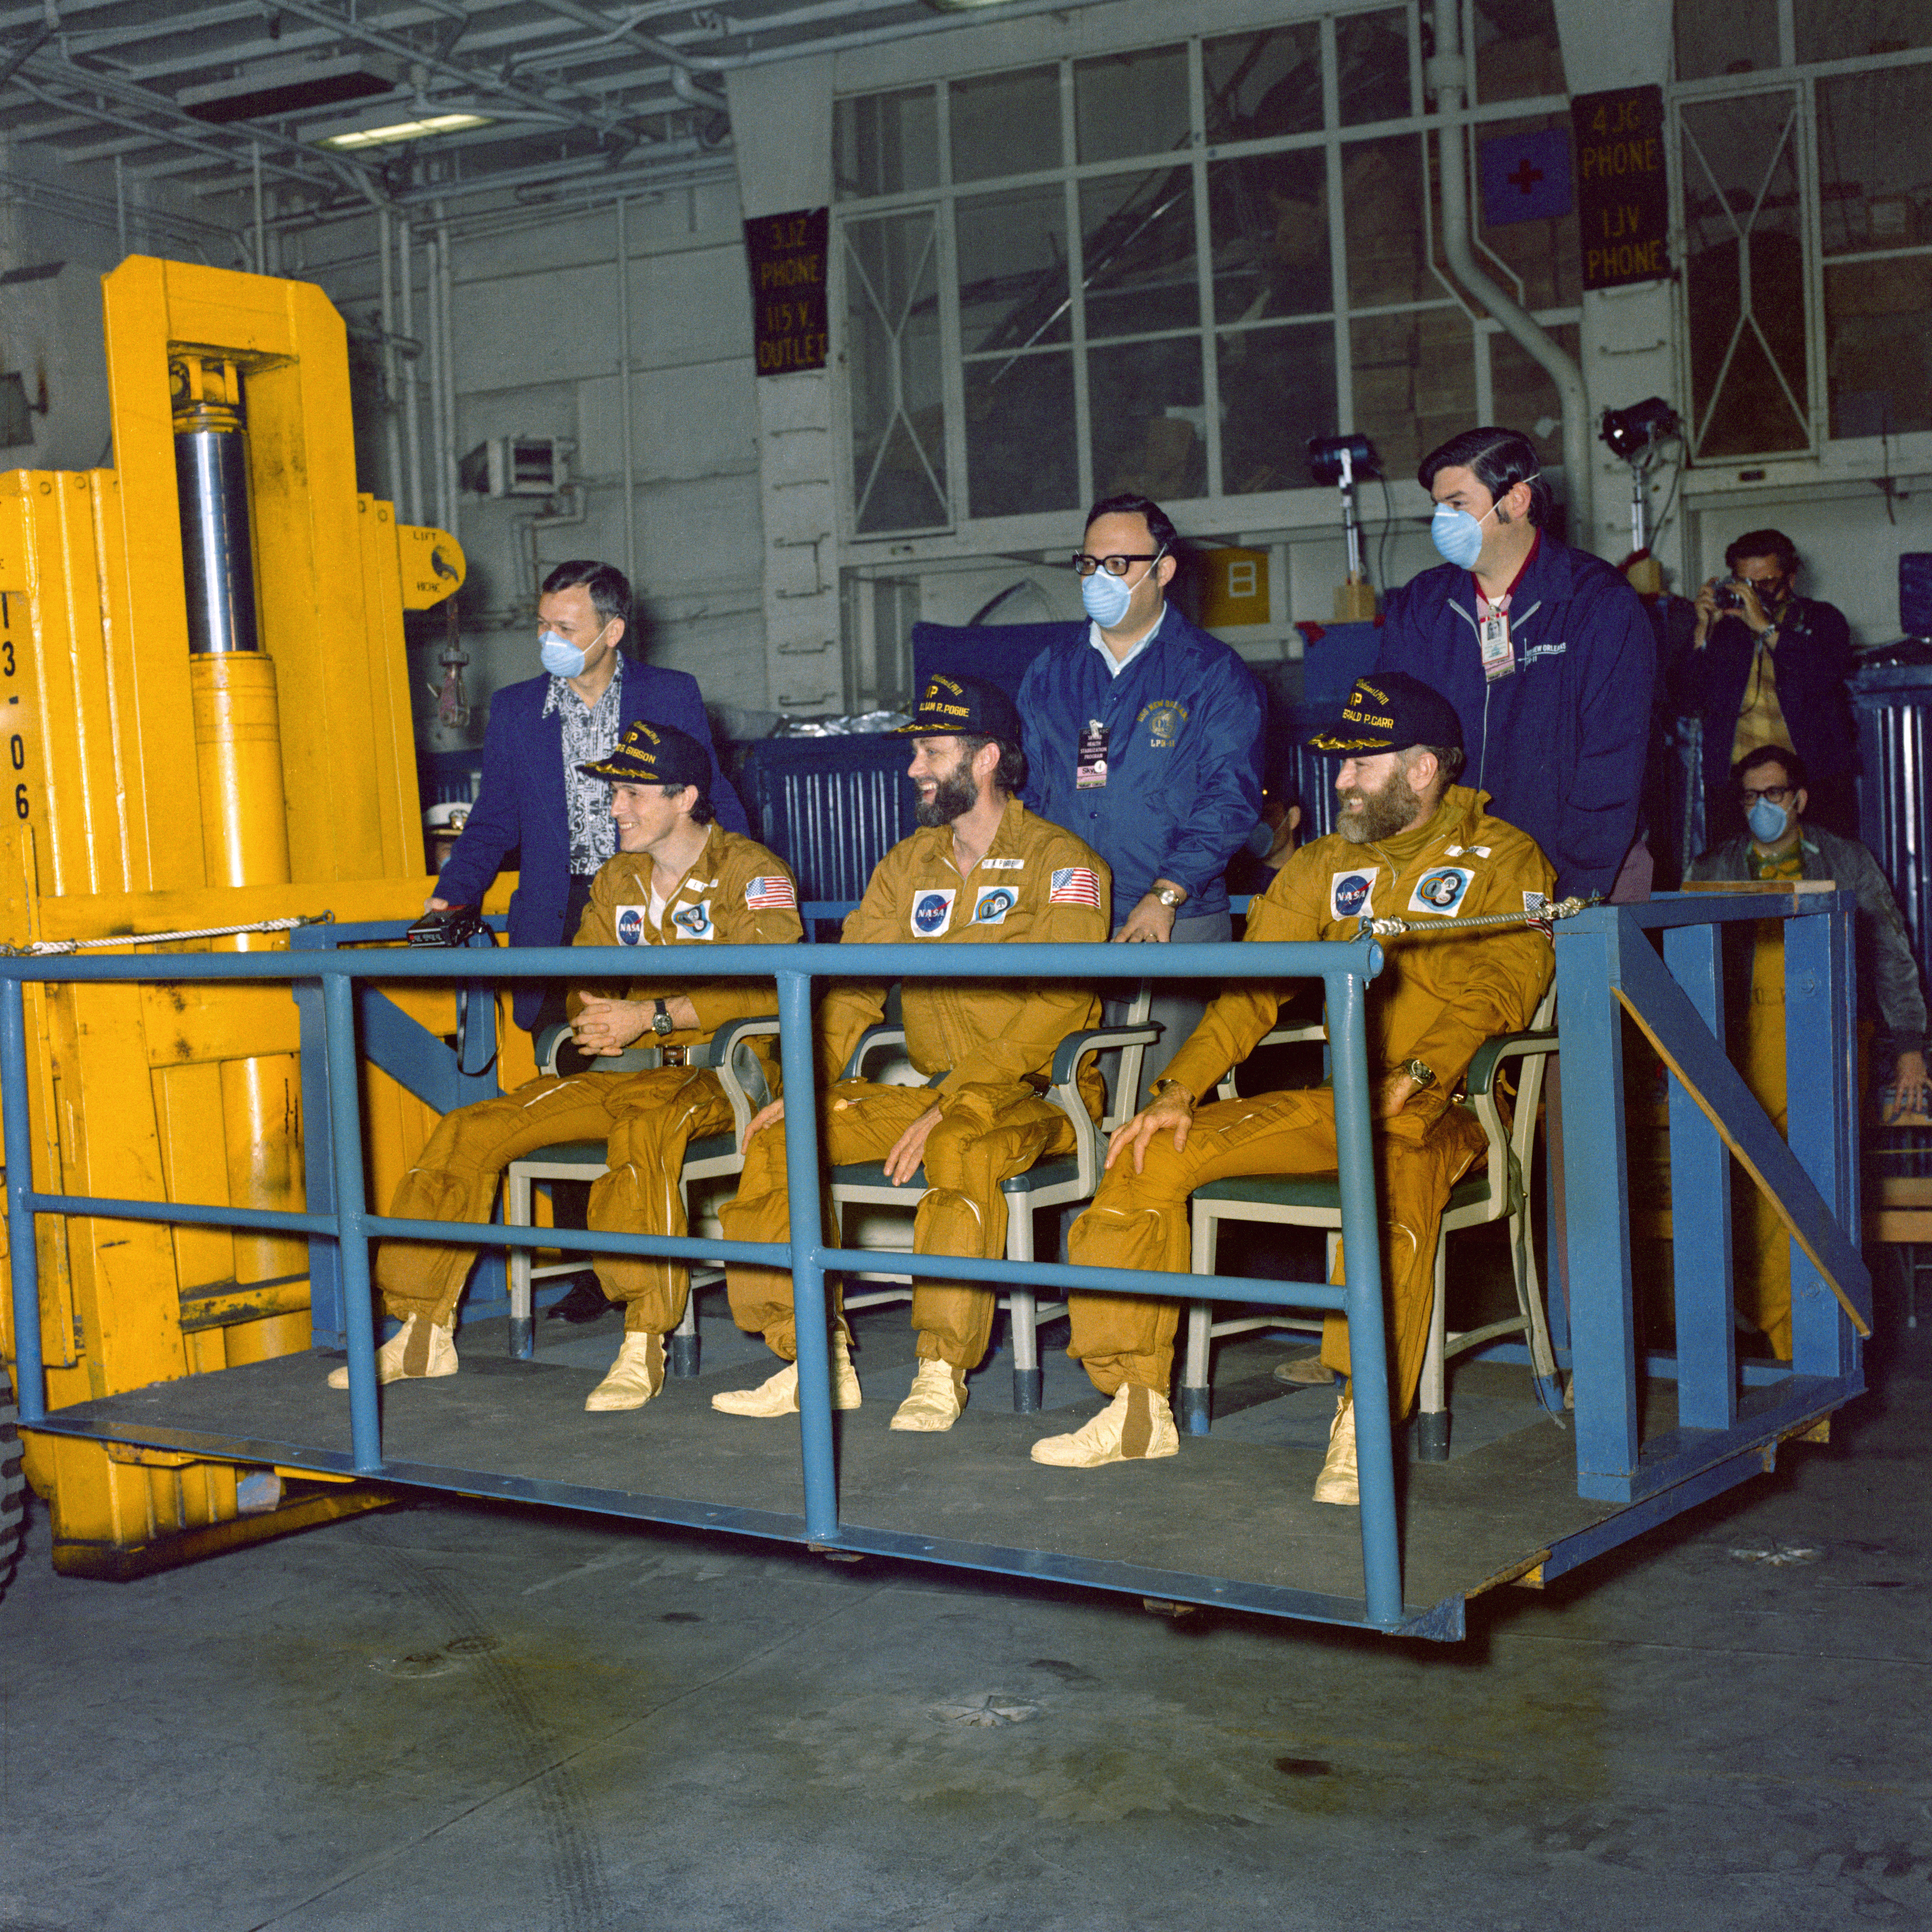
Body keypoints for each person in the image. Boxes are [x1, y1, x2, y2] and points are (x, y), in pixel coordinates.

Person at [1036, 672, 1555, 1505]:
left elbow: (1504, 985)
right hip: (1336, 1104)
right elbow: (1251, 989)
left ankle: (1361, 1415)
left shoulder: (1505, 856)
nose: (1340, 781)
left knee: (1383, 1182)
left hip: (1444, 1108)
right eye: (1341, 764)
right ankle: (1135, 1403)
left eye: (1360, 764)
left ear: (1423, 771)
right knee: (1144, 1152)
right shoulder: (1323, 864)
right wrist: (1178, 1088)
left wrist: (1419, 1073)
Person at [327, 719, 801, 1410]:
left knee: (640, 1139)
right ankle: (422, 1328)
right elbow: (587, 975)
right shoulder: (616, 879)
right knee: (471, 1128)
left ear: (686, 796)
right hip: (621, 1070)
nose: (615, 810)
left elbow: (768, 982)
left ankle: (642, 1341)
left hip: (713, 1075)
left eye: (633, 794)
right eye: (614, 795)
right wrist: (595, 1021)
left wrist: (654, 1015)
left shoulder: (751, 872)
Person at [715, 673, 1111, 1431]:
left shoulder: (1064, 864)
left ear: (987, 758)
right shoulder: (907, 865)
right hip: (933, 1087)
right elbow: (849, 988)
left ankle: (939, 1367)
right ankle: (812, 1355)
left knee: (963, 1143)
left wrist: (956, 1098)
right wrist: (801, 1083)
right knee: (783, 1137)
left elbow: (1058, 1004)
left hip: (1037, 1095)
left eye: (930, 751)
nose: (913, 770)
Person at [428, 559, 749, 1035]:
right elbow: (493, 820)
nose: (547, 639)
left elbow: (711, 797)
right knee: (565, 1057)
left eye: (564, 627)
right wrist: (451, 896)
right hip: (557, 915)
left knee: (660, 1052)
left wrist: (743, 882)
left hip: (653, 901)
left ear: (613, 630)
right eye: (542, 624)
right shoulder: (515, 710)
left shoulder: (671, 694)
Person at [1016, 492, 1264, 1096]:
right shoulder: (1050, 671)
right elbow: (1029, 798)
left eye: (1118, 564)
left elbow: (1228, 799)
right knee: (1063, 1102)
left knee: (1156, 1108)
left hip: (1172, 922)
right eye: (1087, 564)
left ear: (1164, 570)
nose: (1098, 579)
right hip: (1067, 921)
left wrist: (1165, 892)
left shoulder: (1212, 673)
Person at [1685, 745, 1929, 1358]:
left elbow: (1891, 955)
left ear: (1796, 798)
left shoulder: (1845, 860)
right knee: (1754, 1176)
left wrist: (1910, 1047)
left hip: (1827, 1029)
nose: (1761, 807)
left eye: (1773, 794)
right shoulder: (1714, 864)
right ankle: (1781, 1321)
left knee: (1814, 1179)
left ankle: (1802, 1333)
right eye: (1749, 796)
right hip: (1742, 1038)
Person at [1374, 426, 1654, 904]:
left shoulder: (1597, 602)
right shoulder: (1422, 605)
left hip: (1579, 872)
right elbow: (1391, 741)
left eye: (1458, 504)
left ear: (1517, 499)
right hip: (1451, 878)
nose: (1443, 520)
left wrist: (1570, 888)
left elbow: (1613, 758)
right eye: (1437, 507)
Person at [1678, 530, 1859, 844]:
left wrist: (1765, 628)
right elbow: (1686, 699)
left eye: (1765, 585)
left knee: (1824, 878)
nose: (1754, 595)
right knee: (1737, 884)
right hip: (1738, 791)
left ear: (1791, 580)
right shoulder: (1724, 631)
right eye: (1746, 585)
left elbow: (1825, 675)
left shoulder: (1822, 619)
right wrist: (1702, 632)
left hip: (1812, 785)